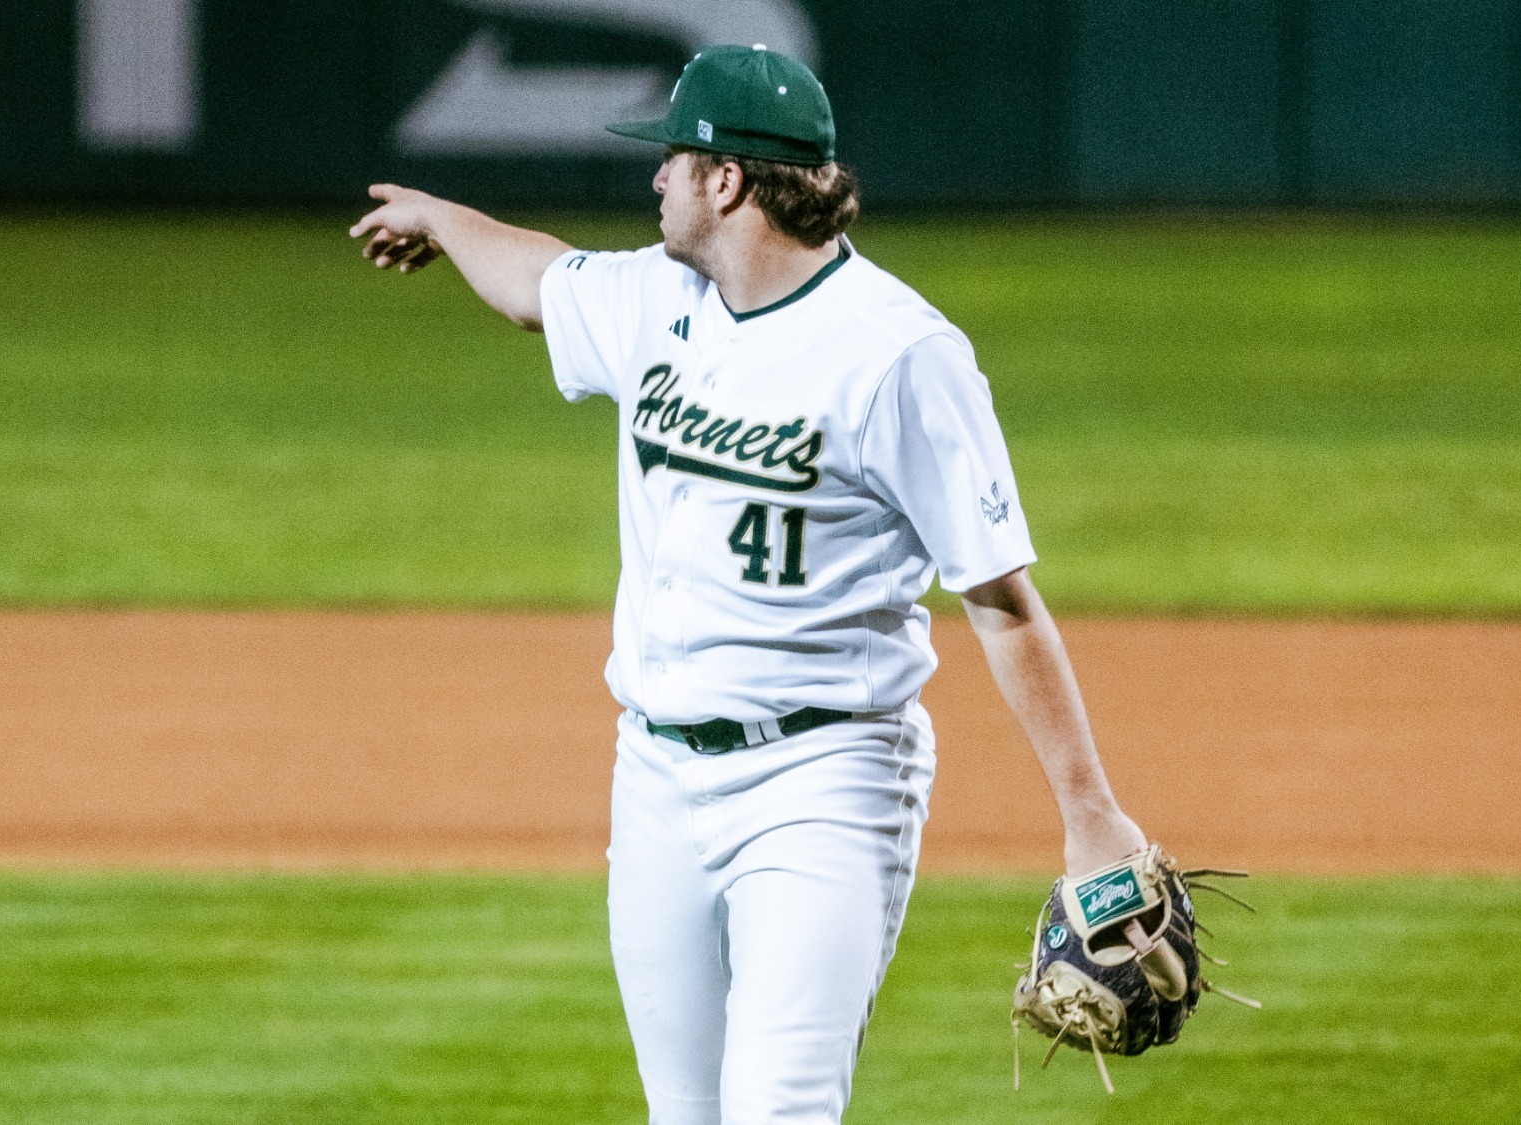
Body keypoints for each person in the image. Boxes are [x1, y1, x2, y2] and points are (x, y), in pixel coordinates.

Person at [350, 43, 1147, 1125]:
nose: (655, 179)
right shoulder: (656, 299)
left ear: (726, 180)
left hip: (824, 782)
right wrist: (443, 220)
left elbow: (1000, 601)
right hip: (654, 776)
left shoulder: (899, 354)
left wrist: (1089, 813)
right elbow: (538, 282)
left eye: (672, 159)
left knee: (777, 1110)